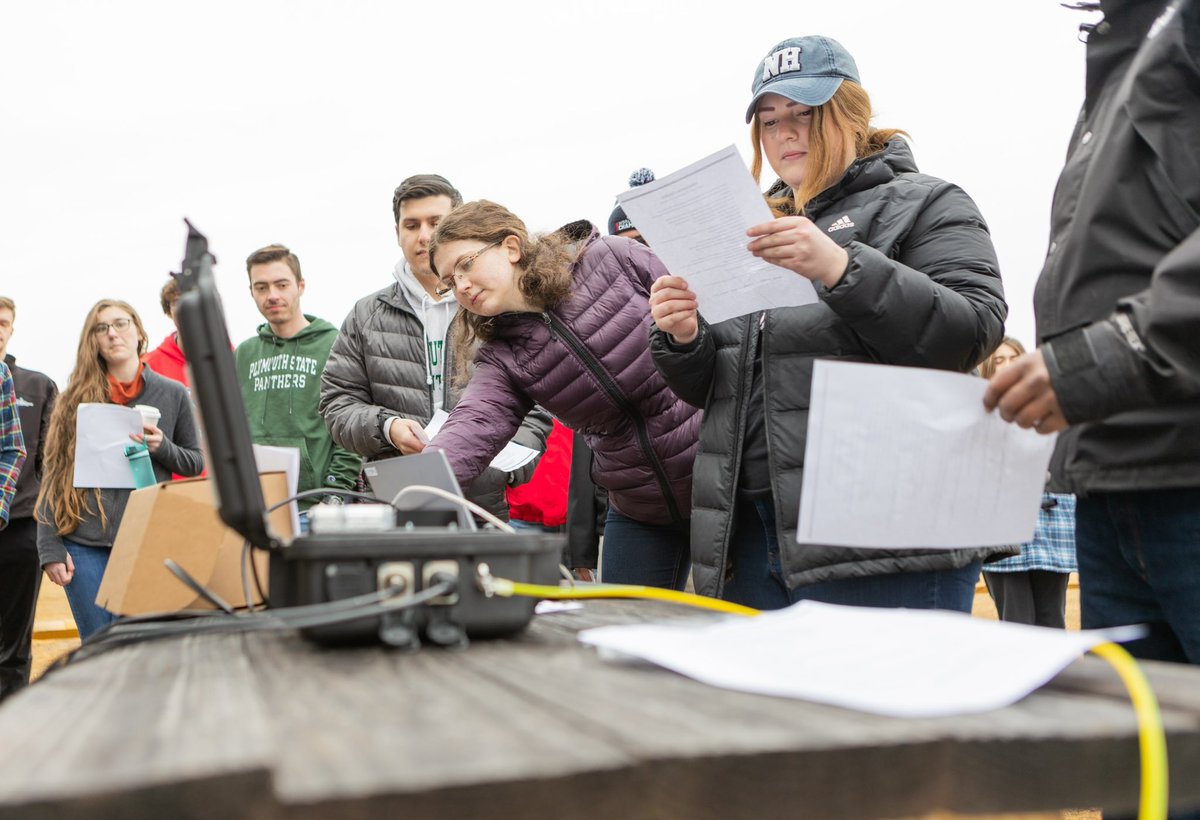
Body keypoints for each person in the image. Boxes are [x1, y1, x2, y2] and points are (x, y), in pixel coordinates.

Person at [648, 35, 1007, 610]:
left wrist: (843, 269)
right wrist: (682, 337)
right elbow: (713, 393)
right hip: (750, 524)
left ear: (852, 115)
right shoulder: (749, 227)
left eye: (803, 114)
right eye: (768, 121)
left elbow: (971, 333)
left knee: (888, 697)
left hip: (884, 531)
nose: (784, 133)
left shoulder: (927, 202)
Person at [985, 0, 1200, 667]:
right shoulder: (1122, 51)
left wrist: (1116, 353)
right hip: (1111, 484)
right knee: (1141, 758)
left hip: (1184, 477)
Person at [425, 200, 701, 589]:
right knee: (623, 632)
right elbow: (473, 424)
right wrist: (412, 490)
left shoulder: (613, 258)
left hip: (723, 480)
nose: (461, 285)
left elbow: (710, 315)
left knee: (752, 628)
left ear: (511, 247)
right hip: (640, 508)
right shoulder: (503, 356)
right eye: (449, 280)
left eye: (466, 263)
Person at [319, 174, 549, 521]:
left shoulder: (494, 304)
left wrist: (508, 466)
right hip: (392, 504)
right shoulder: (366, 315)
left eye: (435, 223)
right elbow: (336, 403)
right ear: (397, 233)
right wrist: (386, 427)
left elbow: (539, 402)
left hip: (481, 503)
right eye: (411, 224)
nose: (423, 235)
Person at [37, 300, 202, 639]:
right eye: (101, 328)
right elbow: (52, 476)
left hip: (145, 542)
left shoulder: (173, 394)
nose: (112, 334)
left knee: (142, 647)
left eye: (121, 323)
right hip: (83, 544)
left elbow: (195, 460)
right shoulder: (73, 400)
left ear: (139, 332)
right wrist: (50, 547)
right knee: (98, 648)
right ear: (92, 341)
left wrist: (162, 448)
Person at [236, 244, 362, 523]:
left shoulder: (334, 344)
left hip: (317, 507)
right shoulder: (244, 354)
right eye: (261, 287)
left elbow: (352, 426)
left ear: (300, 285)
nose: (272, 295)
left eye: (282, 284)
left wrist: (335, 493)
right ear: (251, 292)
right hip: (259, 506)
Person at [979, 337, 1077, 628]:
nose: (1007, 366)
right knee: (1015, 620)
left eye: (1014, 359)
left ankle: (1059, 675)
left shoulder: (1046, 408)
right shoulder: (977, 414)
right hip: (1002, 530)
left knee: (1052, 619)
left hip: (1050, 526)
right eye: (998, 361)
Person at [0, 297, 56, 700]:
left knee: (14, 644)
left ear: (12, 328)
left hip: (21, 528)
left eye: (3, 322)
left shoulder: (37, 385)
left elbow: (51, 462)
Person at [143, 277, 189, 387]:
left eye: (190, 299)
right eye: (176, 302)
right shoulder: (150, 365)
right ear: (169, 312)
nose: (184, 308)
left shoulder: (227, 354)